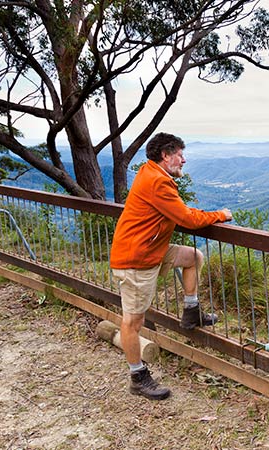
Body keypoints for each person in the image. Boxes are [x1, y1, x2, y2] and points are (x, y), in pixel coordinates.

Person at [110, 132, 232, 400]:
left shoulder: (150, 173)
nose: (184, 160)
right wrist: (220, 215)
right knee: (133, 321)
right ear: (165, 156)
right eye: (179, 154)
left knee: (193, 257)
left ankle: (191, 311)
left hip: (150, 249)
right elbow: (187, 218)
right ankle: (138, 377)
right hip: (136, 259)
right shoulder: (157, 181)